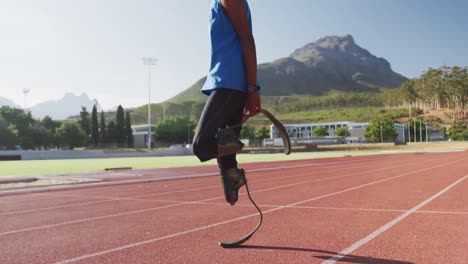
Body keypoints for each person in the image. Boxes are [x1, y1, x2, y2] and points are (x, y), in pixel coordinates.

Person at [192, 0, 261, 206]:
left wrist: (253, 89)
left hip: (230, 82)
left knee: (202, 146)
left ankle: (235, 148)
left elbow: (247, 39)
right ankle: (232, 174)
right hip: (230, 82)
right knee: (225, 157)